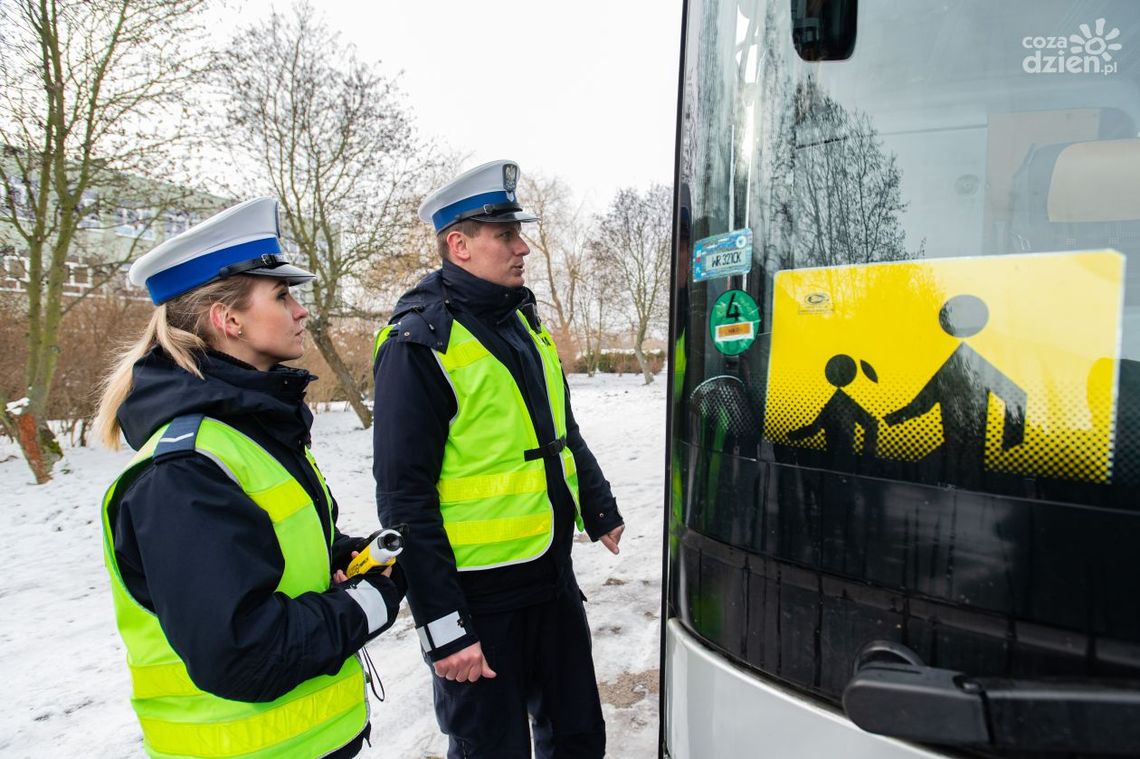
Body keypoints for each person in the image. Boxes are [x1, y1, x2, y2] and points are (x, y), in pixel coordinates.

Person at [95, 197, 404, 759]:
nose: (301, 311)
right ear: (228, 320)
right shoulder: (185, 471)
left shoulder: (252, 432)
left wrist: (344, 556)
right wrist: (370, 601)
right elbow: (244, 653)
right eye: (282, 296)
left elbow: (274, 553)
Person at [372, 160, 625, 758]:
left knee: (579, 736)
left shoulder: (523, 321)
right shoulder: (419, 342)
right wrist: (445, 629)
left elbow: (560, 431)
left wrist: (597, 504)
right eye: (506, 235)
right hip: (478, 600)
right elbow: (404, 499)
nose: (523, 248)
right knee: (492, 749)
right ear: (459, 245)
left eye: (519, 233)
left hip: (551, 578)